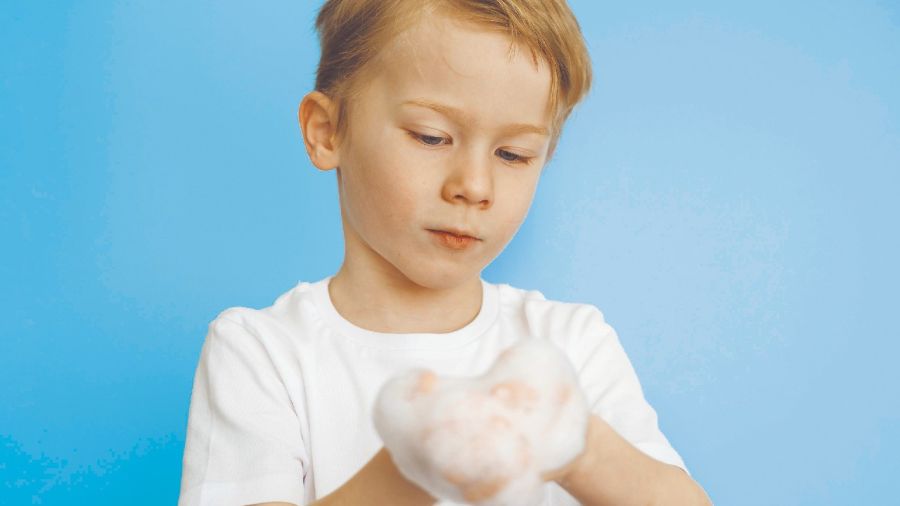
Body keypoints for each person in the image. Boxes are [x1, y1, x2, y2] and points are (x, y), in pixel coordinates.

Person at [178, 1, 713, 505]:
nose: (474, 186)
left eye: (513, 154)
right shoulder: (262, 352)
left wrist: (581, 447)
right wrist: (414, 466)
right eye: (431, 137)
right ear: (327, 131)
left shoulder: (570, 343)